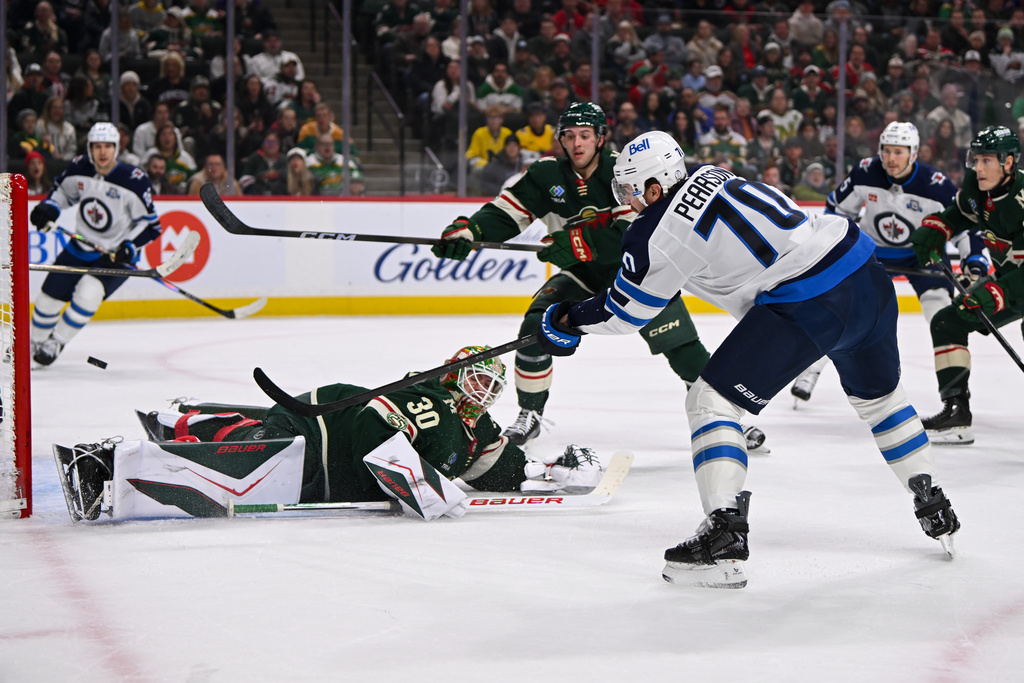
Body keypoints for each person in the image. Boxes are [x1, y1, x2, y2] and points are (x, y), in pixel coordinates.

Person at [534, 130, 960, 588]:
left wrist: (567, 319)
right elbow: (686, 237)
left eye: (631, 190)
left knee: (709, 401)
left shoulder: (653, 231)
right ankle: (931, 499)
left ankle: (724, 534)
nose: (628, 201)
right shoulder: (709, 172)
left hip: (807, 302)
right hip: (864, 275)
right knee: (882, 401)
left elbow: (627, 311)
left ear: (653, 187)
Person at [431, 103, 767, 451]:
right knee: (535, 326)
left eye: (585, 136)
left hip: (641, 273)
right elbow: (508, 212)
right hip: (582, 276)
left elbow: (632, 231)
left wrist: (577, 241)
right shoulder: (546, 174)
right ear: (560, 139)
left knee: (683, 347)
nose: (577, 144)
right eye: (570, 136)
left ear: (600, 138)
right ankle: (529, 415)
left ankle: (726, 418)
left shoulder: (622, 169)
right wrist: (472, 230)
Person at [53, 347, 602, 522]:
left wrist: (545, 470)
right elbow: (375, 435)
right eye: (477, 378)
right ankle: (107, 467)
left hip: (326, 462)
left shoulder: (475, 423)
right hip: (320, 436)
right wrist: (426, 487)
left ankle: (190, 417)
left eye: (491, 383)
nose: (484, 391)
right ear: (455, 376)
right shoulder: (431, 397)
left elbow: (492, 467)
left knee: (267, 462)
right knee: (258, 460)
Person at [788, 121, 988, 404]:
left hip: (923, 253)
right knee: (845, 311)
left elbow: (964, 227)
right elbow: (837, 211)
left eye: (898, 152)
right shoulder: (866, 171)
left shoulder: (936, 185)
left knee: (941, 316)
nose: (891, 159)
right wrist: (841, 245)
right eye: (887, 151)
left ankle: (954, 396)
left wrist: (974, 259)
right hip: (874, 253)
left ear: (914, 153)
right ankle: (809, 372)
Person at [908, 126, 1024, 446]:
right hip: (1009, 279)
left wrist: (997, 292)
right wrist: (940, 228)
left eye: (988, 160)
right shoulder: (976, 185)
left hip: (1018, 282)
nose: (979, 167)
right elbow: (961, 213)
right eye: (976, 159)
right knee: (947, 321)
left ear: (1009, 162)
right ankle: (956, 411)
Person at [28, 122, 163, 367]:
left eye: (108, 146)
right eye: (97, 146)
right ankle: (33, 343)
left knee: (88, 294)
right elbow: (62, 192)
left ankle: (55, 343)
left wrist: (130, 247)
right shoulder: (80, 166)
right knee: (48, 299)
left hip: (118, 256)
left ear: (117, 148)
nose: (103, 152)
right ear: (90, 148)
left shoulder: (134, 179)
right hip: (82, 247)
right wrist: (50, 208)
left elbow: (152, 226)